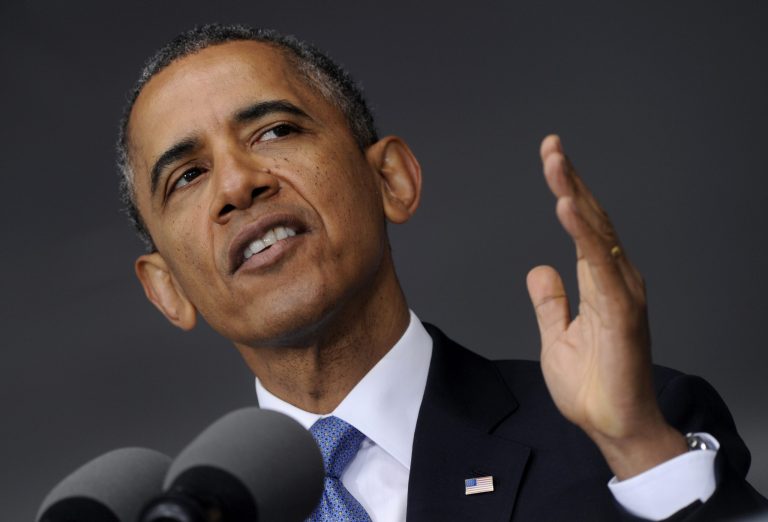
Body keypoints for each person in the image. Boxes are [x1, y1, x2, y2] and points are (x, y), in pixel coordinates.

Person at [116, 24, 766, 521]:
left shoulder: (625, 430)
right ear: (166, 289)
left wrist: (639, 448)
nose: (237, 184)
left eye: (275, 131)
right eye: (188, 176)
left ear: (390, 180)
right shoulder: (191, 516)